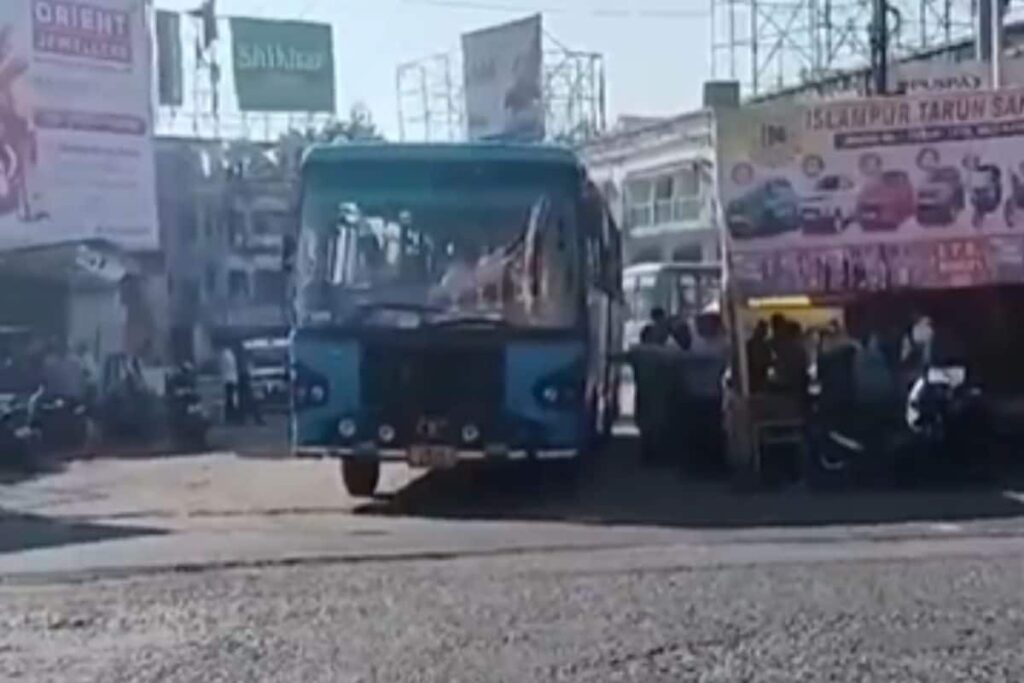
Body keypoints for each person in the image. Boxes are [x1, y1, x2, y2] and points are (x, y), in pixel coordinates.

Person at [236, 345, 265, 426]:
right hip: (245, 379)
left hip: (244, 379)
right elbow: (246, 370)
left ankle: (243, 419)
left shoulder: (241, 359)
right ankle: (255, 419)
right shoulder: (244, 360)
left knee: (247, 401)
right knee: (252, 401)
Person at [746, 319, 771, 392]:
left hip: (761, 377)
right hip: (753, 376)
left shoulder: (765, 345)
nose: (765, 332)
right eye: (763, 330)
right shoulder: (750, 345)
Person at [220, 345, 239, 424]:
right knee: (232, 398)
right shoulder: (231, 355)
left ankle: (230, 416)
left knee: (229, 398)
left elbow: (223, 367)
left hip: (228, 379)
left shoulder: (225, 354)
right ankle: (232, 415)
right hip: (232, 379)